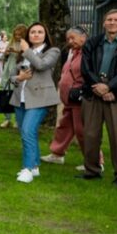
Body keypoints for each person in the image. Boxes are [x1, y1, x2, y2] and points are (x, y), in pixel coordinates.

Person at [9, 22, 60, 183]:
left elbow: (41, 65)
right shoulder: (23, 53)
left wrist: (27, 50)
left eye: (40, 32)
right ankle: (35, 165)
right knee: (27, 134)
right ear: (28, 35)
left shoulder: (53, 51)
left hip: (40, 99)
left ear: (45, 35)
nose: (36, 35)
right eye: (32, 32)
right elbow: (11, 75)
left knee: (27, 131)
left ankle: (28, 168)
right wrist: (19, 78)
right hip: (20, 98)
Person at [78, 9, 117, 186]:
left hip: (116, 96)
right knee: (90, 134)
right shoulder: (93, 43)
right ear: (103, 23)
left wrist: (110, 88)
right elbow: (85, 68)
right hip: (93, 93)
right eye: (109, 19)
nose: (112, 22)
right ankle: (92, 170)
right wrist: (99, 86)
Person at [41, 27, 88, 165]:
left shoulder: (88, 52)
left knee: (82, 130)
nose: (70, 41)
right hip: (68, 99)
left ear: (83, 37)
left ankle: (95, 161)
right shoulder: (72, 52)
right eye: (68, 38)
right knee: (64, 127)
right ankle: (57, 154)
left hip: (79, 98)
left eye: (73, 38)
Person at [0, 25, 27, 128]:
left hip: (18, 70)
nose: (17, 36)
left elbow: (27, 56)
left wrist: (16, 52)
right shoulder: (11, 42)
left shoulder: (26, 44)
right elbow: (3, 57)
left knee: (16, 94)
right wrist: (6, 53)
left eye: (19, 34)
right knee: (5, 92)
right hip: (8, 69)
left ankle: (17, 119)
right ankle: (7, 118)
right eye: (15, 34)